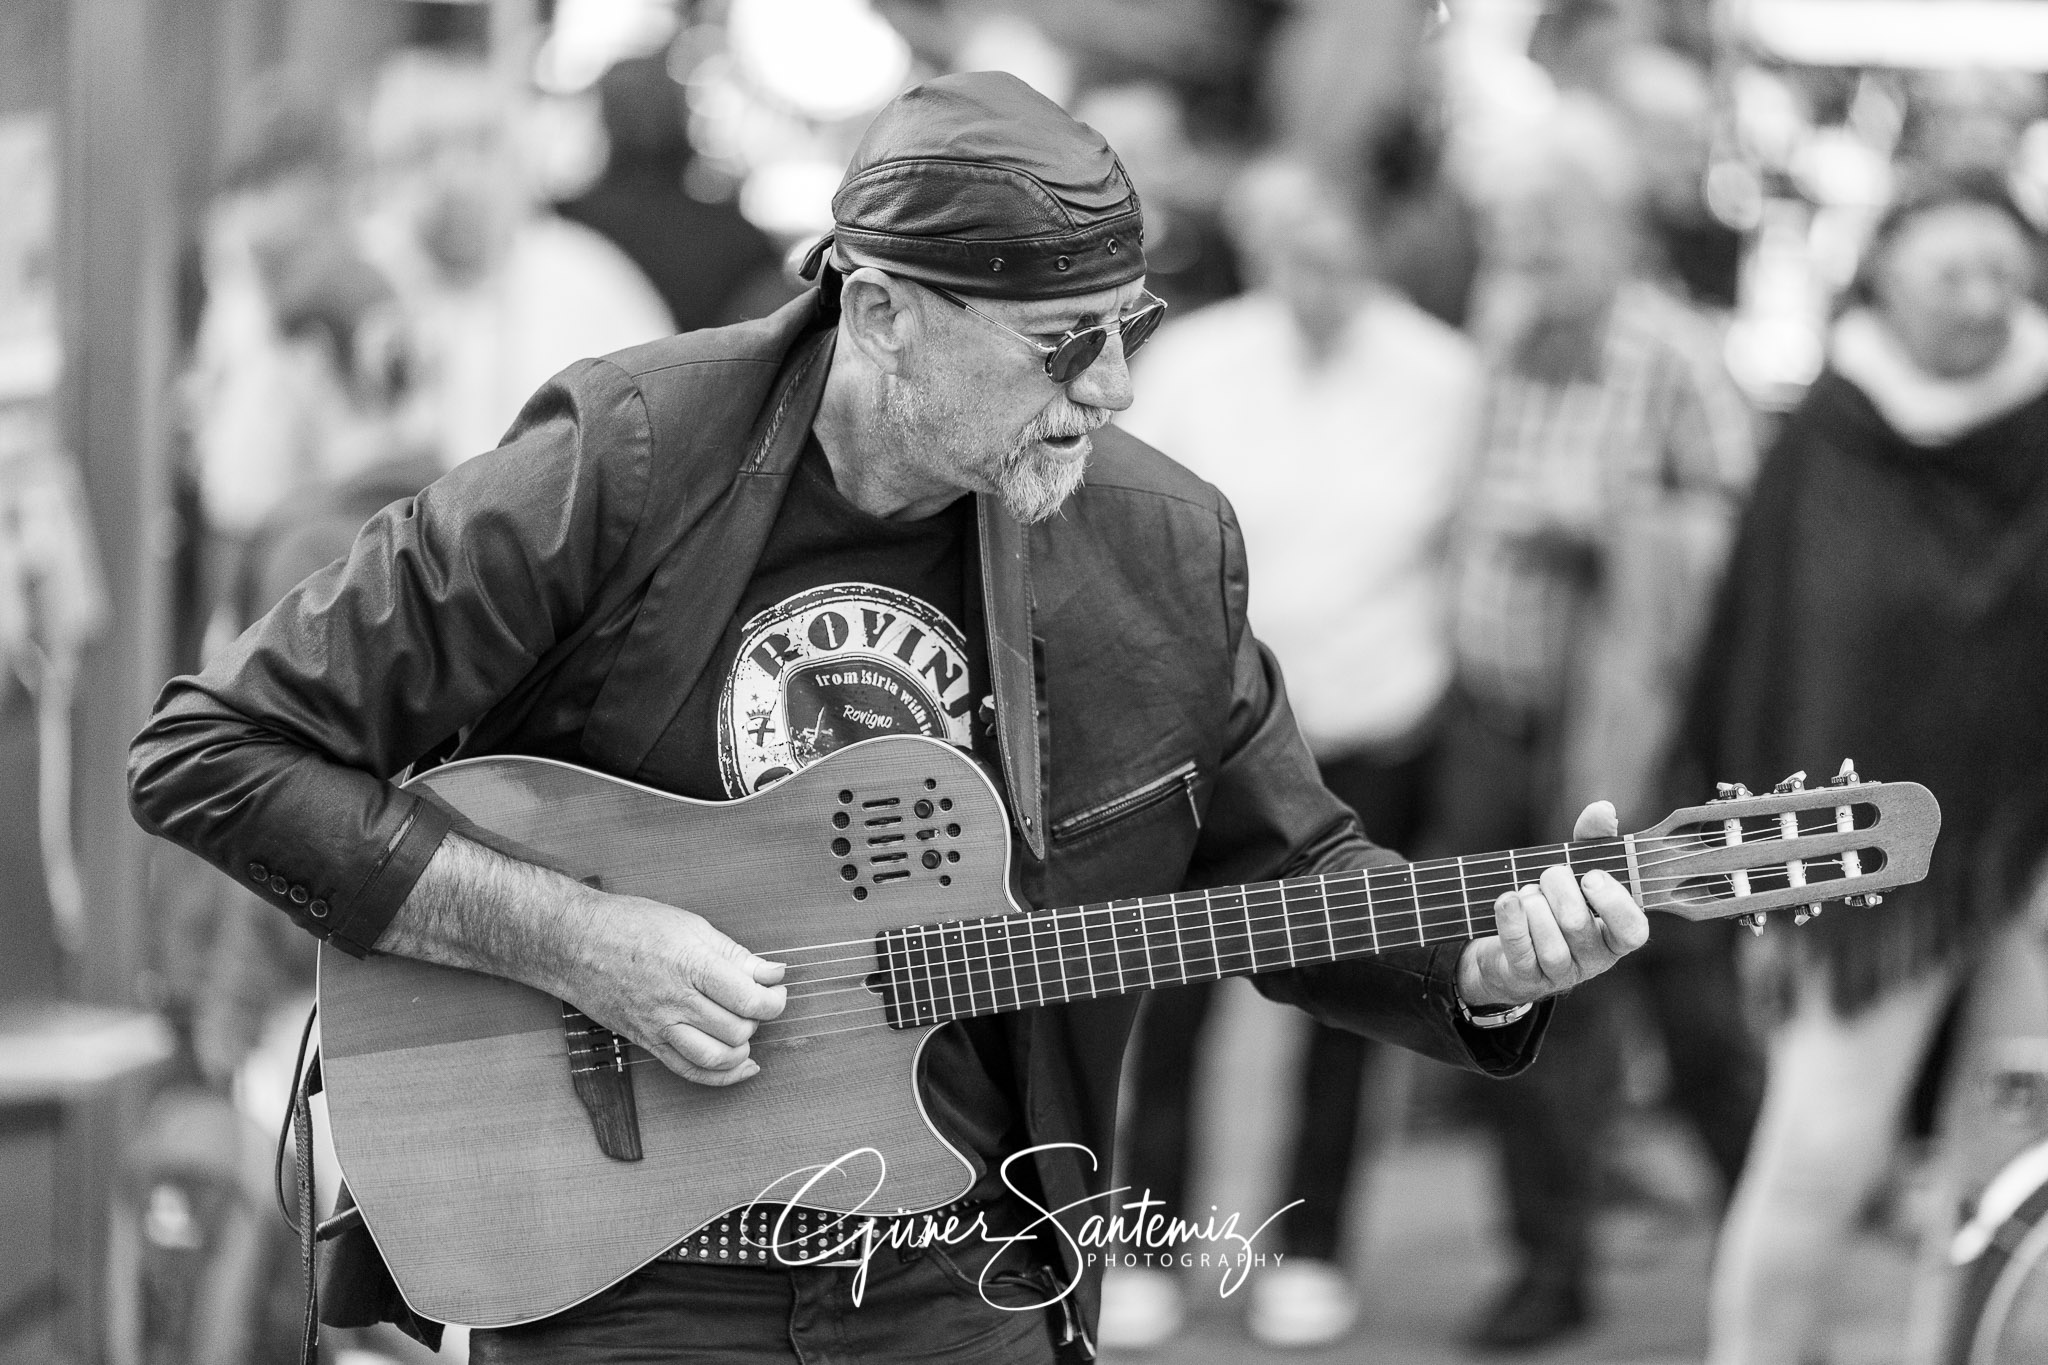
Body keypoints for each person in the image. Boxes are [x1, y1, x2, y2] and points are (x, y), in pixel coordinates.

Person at [129, 73, 1650, 1365]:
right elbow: (211, 752)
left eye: (1130, 321)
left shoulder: (1160, 550)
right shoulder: (630, 458)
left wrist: (1481, 962)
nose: (1115, 384)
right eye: (1060, 341)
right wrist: (575, 939)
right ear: (881, 312)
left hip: (958, 1258)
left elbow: (1286, 866)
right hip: (617, 1256)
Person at [1105, 154, 1482, 1350]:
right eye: (1286, 252)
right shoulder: (1199, 358)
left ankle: (1310, 1247)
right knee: (1166, 997)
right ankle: (1146, 1240)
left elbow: (1455, 553)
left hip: (1373, 720)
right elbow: (1126, 528)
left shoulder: (1442, 372)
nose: (1309, 278)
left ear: (1374, 248)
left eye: (1331, 252)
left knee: (1352, 998)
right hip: (1201, 733)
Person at [1688, 170, 2048, 1365]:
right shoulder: (1831, 434)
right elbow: (1765, 656)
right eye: (1952, 272)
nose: (1981, 301)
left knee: (2011, 1175)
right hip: (1855, 856)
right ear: (1884, 276)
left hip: (2033, 853)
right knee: (1816, 1158)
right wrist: (1766, 868)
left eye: (2004, 273)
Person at [1432, 96, 1761, 1350]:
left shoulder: (1672, 349)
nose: (1518, 263)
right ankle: (1547, 1263)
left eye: (1542, 238)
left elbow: (1736, 541)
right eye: (1508, 238)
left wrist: (1603, 527)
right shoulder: (1505, 330)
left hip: (1632, 732)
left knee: (1686, 1001)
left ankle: (1760, 1245)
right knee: (1515, 987)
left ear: (1611, 230)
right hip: (1495, 715)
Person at [360, 50, 675, 471]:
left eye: (478, 146)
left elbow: (663, 430)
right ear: (386, 171)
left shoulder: (583, 278)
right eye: (426, 151)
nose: (454, 177)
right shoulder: (364, 281)